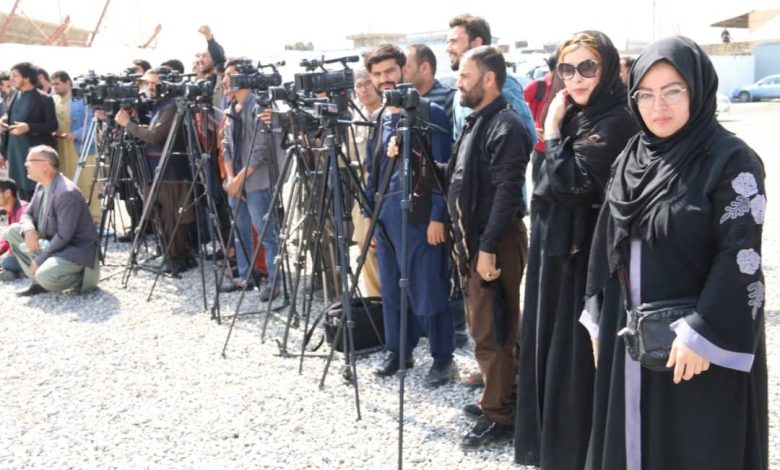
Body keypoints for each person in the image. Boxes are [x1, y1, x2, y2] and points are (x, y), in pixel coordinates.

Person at [583, 35, 767, 470]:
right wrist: (596, 314)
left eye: (672, 91)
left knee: (691, 444)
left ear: (697, 90)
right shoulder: (633, 155)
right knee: (630, 440)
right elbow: (607, 237)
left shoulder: (731, 160)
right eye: (645, 94)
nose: (657, 107)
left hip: (694, 346)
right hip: (629, 331)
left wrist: (702, 333)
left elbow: (740, 254)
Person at [514, 31, 638, 469]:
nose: (577, 78)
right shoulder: (578, 116)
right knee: (552, 349)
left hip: (586, 258)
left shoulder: (617, 119)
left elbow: (570, 184)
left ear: (608, 69)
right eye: (567, 69)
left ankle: (578, 455)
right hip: (557, 254)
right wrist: (556, 133)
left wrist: (550, 131)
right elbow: (547, 180)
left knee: (577, 358)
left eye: (588, 67)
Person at [443, 45, 531, 449]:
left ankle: (500, 414)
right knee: (487, 324)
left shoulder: (506, 125)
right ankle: (500, 397)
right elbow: (462, 177)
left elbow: (507, 193)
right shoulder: (478, 120)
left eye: (465, 75)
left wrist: (488, 249)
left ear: (489, 79)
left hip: (494, 241)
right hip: (477, 241)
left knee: (493, 329)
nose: (458, 82)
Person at [363, 44, 457, 387]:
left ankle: (443, 358)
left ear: (403, 70)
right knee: (392, 290)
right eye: (377, 74)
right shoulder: (379, 118)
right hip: (387, 219)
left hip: (421, 217)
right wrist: (370, 218)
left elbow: (444, 169)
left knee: (429, 285)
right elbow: (373, 170)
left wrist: (438, 216)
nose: (384, 79)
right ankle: (399, 351)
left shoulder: (430, 111)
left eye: (390, 71)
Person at [115, 68, 195, 274]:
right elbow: (153, 132)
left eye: (154, 83)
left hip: (169, 170)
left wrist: (128, 124)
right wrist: (136, 123)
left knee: (171, 216)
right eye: (147, 83)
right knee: (161, 214)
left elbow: (154, 136)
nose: (149, 87)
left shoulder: (171, 105)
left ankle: (176, 258)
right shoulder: (161, 104)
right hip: (157, 167)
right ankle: (175, 254)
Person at [220, 58, 282, 299]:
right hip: (236, 182)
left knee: (267, 233)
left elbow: (261, 150)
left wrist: (237, 180)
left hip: (257, 182)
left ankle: (275, 282)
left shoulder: (260, 106)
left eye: (229, 75)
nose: (224, 80)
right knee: (240, 230)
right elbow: (226, 146)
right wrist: (231, 178)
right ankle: (246, 276)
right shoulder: (231, 109)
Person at [3, 145, 99, 296]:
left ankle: (80, 279)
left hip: (72, 250)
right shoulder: (41, 186)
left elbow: (64, 236)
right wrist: (29, 229)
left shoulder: (66, 192)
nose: (26, 165)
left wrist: (40, 259)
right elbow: (27, 214)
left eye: (29, 161)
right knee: (13, 231)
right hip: (51, 244)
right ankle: (39, 282)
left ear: (45, 165)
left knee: (45, 275)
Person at [0, 62, 58, 201]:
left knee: (37, 196)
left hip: (33, 156)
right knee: (18, 194)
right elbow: (11, 114)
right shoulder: (14, 94)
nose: (11, 79)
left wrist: (29, 127)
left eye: (15, 75)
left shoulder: (43, 99)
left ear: (26, 78)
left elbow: (52, 125)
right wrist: (5, 119)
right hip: (14, 155)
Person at [351, 69, 382, 298]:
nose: (363, 89)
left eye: (368, 83)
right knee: (367, 250)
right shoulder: (355, 121)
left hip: (387, 195)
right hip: (363, 196)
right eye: (359, 85)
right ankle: (376, 301)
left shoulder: (389, 114)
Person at [403, 44, 456, 127]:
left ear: (424, 68)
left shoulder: (449, 97)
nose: (401, 72)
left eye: (405, 67)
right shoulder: (402, 99)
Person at [0, 177, 28, 281]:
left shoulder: (23, 211)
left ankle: (25, 272)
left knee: (7, 262)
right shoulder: (12, 211)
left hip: (31, 255)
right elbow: (7, 240)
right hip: (20, 254)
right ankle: (20, 273)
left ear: (7, 193)